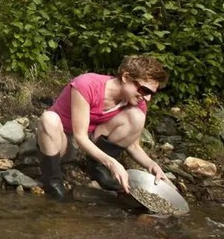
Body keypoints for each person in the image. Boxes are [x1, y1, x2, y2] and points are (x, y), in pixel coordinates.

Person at [36, 55, 169, 199]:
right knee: (49, 119)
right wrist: (113, 164)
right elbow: (80, 137)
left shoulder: (137, 101)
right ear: (126, 77)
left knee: (136, 116)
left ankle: (96, 166)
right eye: (145, 90)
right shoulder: (86, 85)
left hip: (91, 139)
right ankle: (53, 183)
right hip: (62, 141)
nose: (147, 98)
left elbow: (133, 146)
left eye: (151, 94)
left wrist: (151, 165)